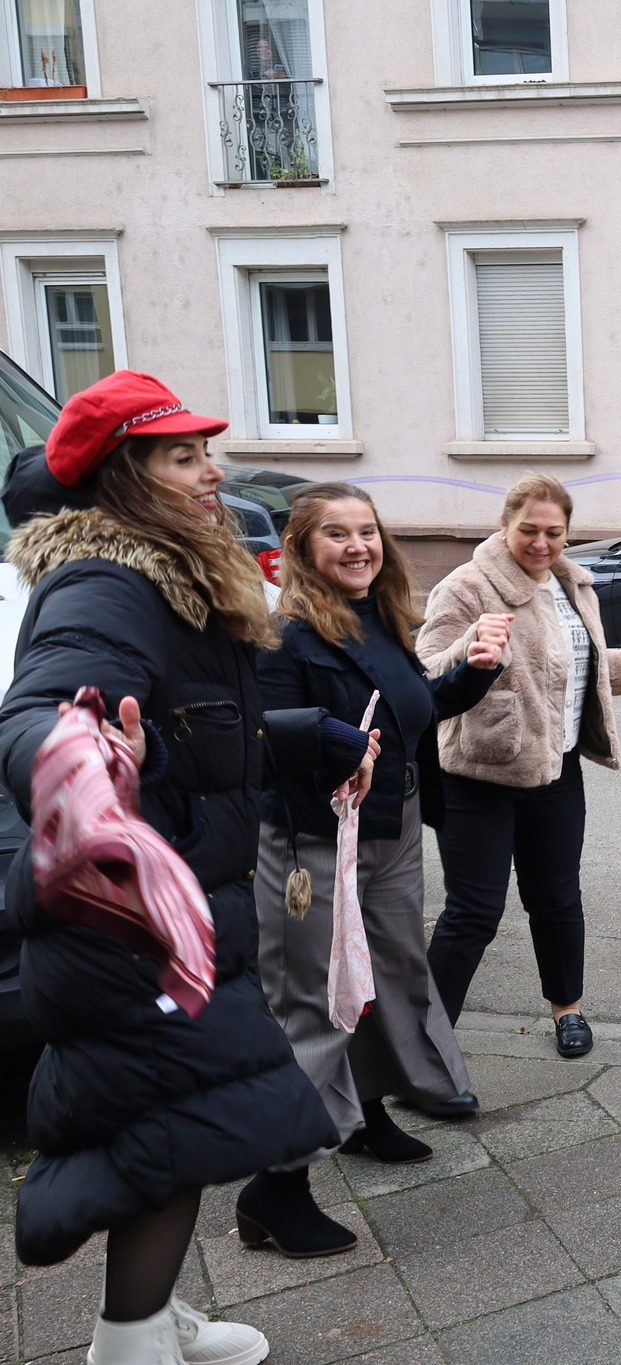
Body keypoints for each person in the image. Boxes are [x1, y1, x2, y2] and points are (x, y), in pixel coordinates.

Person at [0, 372, 339, 1364]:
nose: (213, 469)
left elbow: (199, 743)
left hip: (174, 906)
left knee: (164, 1128)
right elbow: (35, 715)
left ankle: (147, 1315)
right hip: (132, 924)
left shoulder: (175, 578)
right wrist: (78, 761)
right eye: (184, 455)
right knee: (188, 1125)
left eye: (205, 450)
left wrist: (306, 734)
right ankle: (133, 1344)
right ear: (125, 479)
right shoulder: (107, 583)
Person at [245, 483, 506, 1214]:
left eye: (367, 530)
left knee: (388, 972)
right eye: (337, 533)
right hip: (317, 837)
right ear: (301, 549)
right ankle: (278, 1183)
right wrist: (337, 742)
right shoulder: (283, 633)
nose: (359, 545)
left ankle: (365, 1111)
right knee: (317, 998)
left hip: (392, 822)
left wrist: (472, 674)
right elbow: (262, 737)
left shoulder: (379, 617)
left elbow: (407, 713)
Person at [418, 474, 621, 1059]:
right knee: (473, 914)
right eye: (529, 531)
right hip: (479, 774)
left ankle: (568, 1010)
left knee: (558, 899)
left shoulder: (572, 585)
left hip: (556, 772)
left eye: (554, 532)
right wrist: (471, 645)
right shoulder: (465, 587)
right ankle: (425, 1042)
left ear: (568, 533)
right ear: (505, 526)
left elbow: (577, 671)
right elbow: (428, 673)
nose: (541, 543)